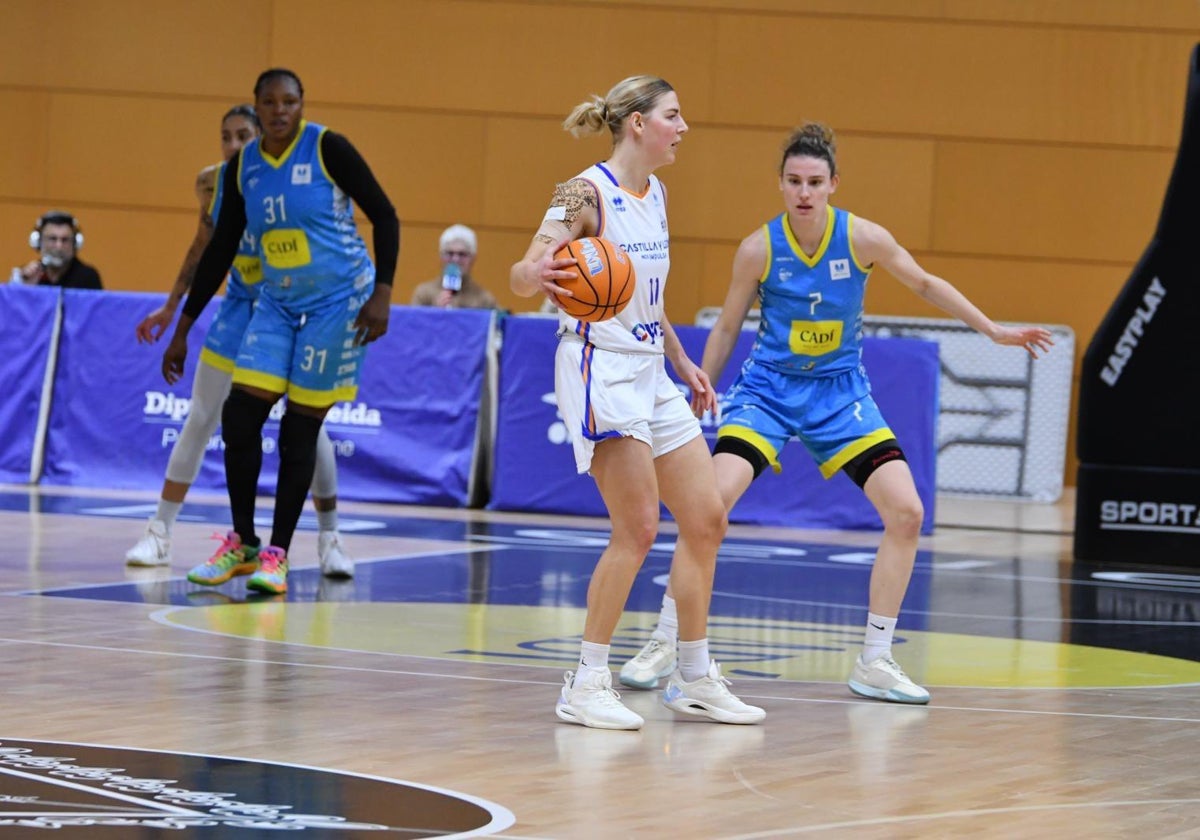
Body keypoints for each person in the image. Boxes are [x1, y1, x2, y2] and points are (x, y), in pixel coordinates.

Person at [620, 122, 1055, 705]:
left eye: (815, 182)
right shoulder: (758, 248)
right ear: (780, 184)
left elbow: (924, 282)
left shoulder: (863, 239)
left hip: (840, 396)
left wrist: (993, 330)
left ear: (833, 185)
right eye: (794, 181)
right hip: (767, 394)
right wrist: (703, 381)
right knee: (707, 511)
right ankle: (666, 639)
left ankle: (876, 660)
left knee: (906, 512)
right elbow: (726, 325)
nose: (804, 191)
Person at [509, 75, 765, 730]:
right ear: (637, 124)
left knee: (707, 518)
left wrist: (682, 361)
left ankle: (694, 674)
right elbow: (521, 271)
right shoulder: (581, 191)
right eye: (673, 116)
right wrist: (538, 272)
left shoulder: (659, 194)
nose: (683, 128)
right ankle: (586, 681)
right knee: (639, 527)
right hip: (599, 367)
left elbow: (645, 299)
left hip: (650, 366)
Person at [161, 68, 399, 596]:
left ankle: (278, 554)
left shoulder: (328, 148)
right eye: (268, 102)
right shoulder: (243, 166)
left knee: (300, 427)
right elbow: (219, 247)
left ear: (301, 104)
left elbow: (385, 215)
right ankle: (243, 543)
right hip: (279, 301)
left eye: (288, 101)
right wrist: (182, 328)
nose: (278, 110)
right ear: (257, 107)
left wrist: (382, 293)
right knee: (240, 415)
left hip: (339, 302)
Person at [124, 104, 353, 580]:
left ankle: (330, 536)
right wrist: (172, 311)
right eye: (225, 136)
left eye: (241, 134)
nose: (233, 145)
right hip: (236, 312)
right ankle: (160, 531)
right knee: (201, 416)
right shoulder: (215, 182)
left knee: (311, 429)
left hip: (286, 310)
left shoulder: (284, 179)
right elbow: (201, 249)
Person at [410, 224, 497, 309]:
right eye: (450, 253)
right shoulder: (423, 294)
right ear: (441, 257)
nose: (455, 260)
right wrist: (434, 313)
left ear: (473, 259)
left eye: (462, 254)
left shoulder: (484, 299)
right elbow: (413, 322)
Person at [12, 211, 102, 288]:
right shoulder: (29, 275)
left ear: (75, 243)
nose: (59, 246)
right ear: (38, 241)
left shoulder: (88, 277)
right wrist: (25, 289)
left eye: (65, 240)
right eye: (52, 239)